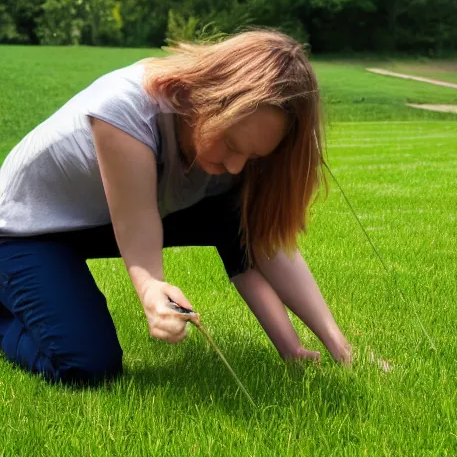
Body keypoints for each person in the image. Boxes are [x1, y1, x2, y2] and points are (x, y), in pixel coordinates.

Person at [0, 29, 352, 386]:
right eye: (231, 144)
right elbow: (136, 223)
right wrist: (152, 288)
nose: (236, 167)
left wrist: (332, 350)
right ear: (207, 98)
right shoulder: (125, 111)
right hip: (26, 229)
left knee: (234, 211)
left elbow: (258, 243)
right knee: (86, 366)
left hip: (100, 215)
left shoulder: (230, 157)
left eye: (253, 156)